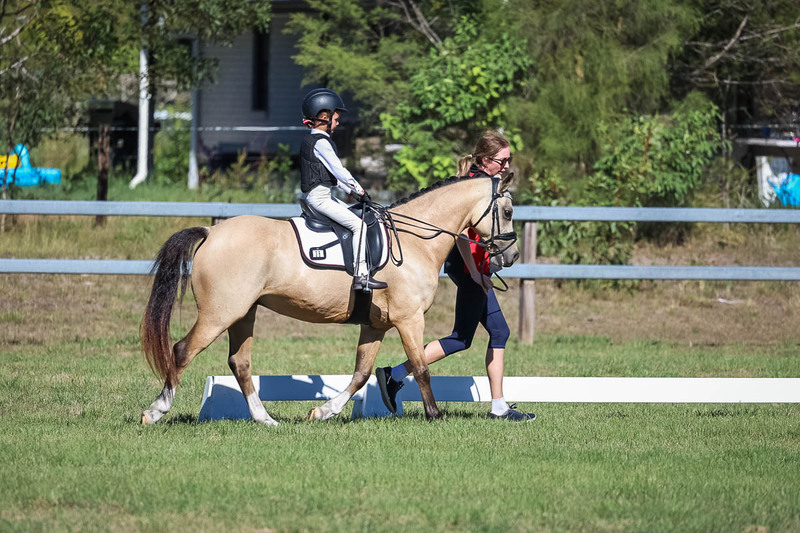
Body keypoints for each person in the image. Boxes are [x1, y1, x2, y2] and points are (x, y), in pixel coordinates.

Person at [376, 131, 535, 421]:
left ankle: (498, 404)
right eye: (502, 160)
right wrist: (475, 273)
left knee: (498, 332)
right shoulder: (471, 186)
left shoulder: (484, 183)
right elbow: (461, 232)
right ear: (486, 160)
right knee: (463, 337)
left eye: (509, 159)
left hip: (475, 269)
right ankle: (395, 374)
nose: (507, 165)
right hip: (468, 270)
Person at [299, 88, 387, 291]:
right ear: (324, 117)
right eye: (335, 119)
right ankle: (361, 275)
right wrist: (361, 190)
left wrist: (353, 193)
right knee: (360, 226)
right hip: (320, 199)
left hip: (320, 195)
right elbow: (339, 170)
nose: (337, 123)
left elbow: (330, 177)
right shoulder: (321, 142)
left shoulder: (313, 141)